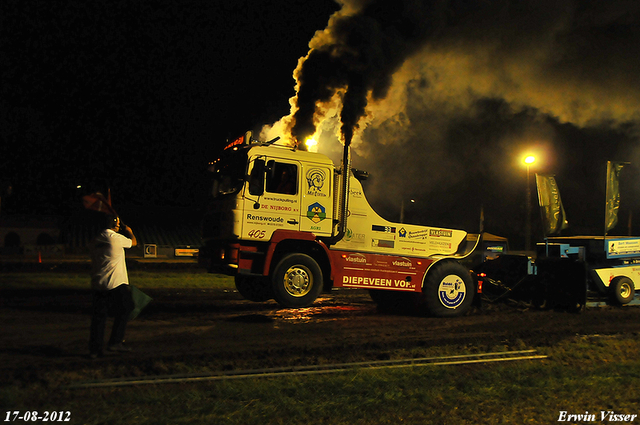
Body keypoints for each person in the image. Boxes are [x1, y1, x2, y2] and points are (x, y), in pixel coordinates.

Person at [89, 214, 137, 358]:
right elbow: (133, 243)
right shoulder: (115, 238)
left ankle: (94, 350)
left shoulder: (95, 240)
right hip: (116, 282)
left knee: (99, 318)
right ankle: (115, 342)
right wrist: (129, 231)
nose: (118, 226)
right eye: (116, 223)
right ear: (112, 224)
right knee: (127, 308)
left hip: (98, 283)